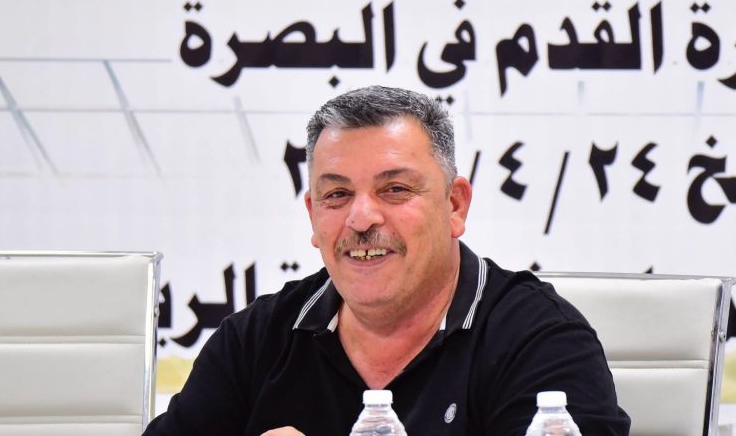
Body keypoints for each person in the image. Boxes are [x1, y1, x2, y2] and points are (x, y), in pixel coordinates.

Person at [143, 86, 630, 435]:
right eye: (337, 195)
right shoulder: (256, 340)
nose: (361, 218)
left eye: (394, 189)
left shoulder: (540, 340)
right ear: (313, 216)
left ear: (454, 206)